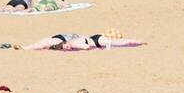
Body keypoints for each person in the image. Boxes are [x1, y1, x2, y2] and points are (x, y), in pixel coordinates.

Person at [13, 33, 145, 51]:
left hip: (92, 40)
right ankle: (26, 47)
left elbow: (86, 47)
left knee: (118, 43)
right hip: (90, 39)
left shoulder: (73, 43)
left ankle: (139, 41)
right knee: (117, 42)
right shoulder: (70, 43)